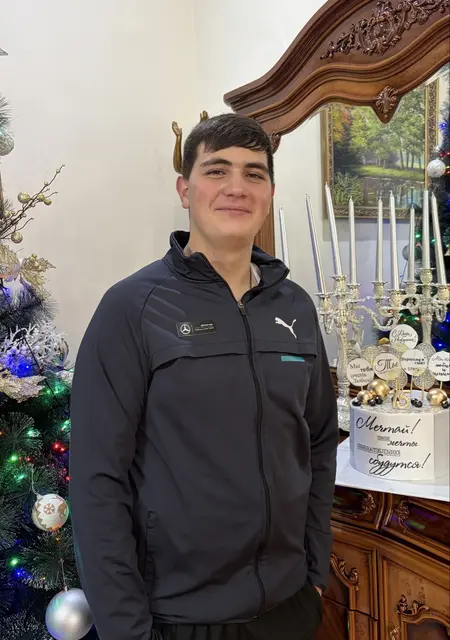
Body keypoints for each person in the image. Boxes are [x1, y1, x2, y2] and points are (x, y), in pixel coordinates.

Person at [69, 113, 338, 640]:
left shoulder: (296, 307)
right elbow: (98, 480)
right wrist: (126, 629)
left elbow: (319, 442)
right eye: (217, 170)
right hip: (178, 618)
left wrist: (314, 571)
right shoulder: (132, 308)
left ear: (269, 193)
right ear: (184, 189)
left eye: (254, 174)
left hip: (289, 608)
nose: (237, 187)